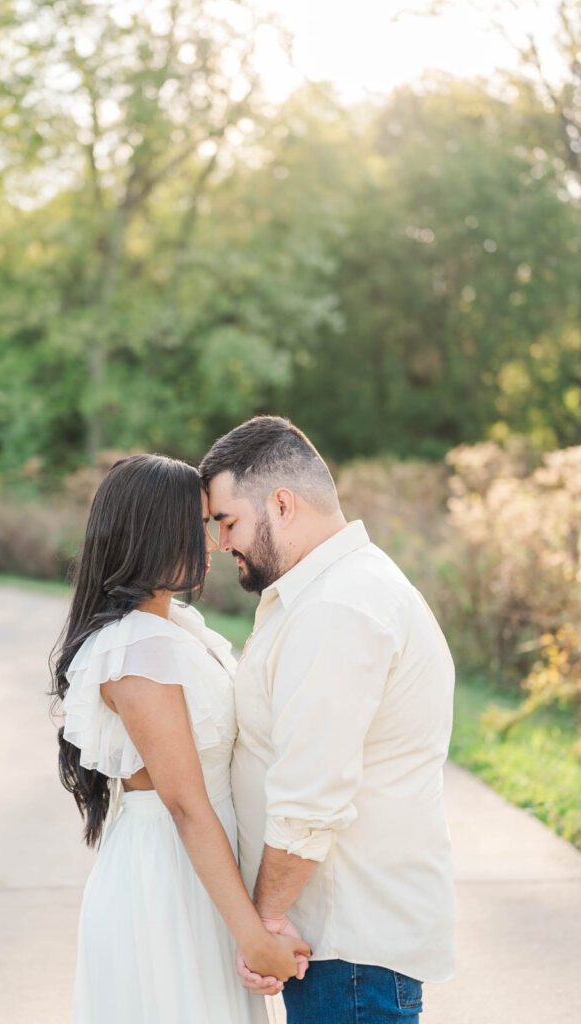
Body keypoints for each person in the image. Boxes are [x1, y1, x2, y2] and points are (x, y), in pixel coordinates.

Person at [199, 416, 455, 1024]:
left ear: (282, 504)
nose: (219, 542)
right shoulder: (323, 594)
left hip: (348, 952)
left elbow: (310, 798)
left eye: (227, 521)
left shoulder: (339, 606)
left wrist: (260, 927)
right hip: (336, 951)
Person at [50, 453, 310, 1024]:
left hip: (204, 872)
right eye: (197, 527)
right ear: (152, 533)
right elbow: (186, 805)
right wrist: (252, 934)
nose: (214, 543)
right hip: (170, 878)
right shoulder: (138, 648)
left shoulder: (175, 624)